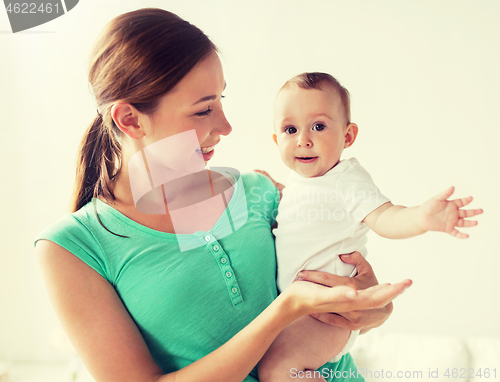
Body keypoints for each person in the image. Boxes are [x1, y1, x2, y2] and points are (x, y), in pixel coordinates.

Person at [34, 9, 412, 382]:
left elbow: (339, 285)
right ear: (130, 120)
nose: (226, 126)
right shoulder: (72, 248)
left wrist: (377, 309)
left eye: (221, 101)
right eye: (203, 111)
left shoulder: (259, 191)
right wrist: (285, 309)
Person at [257, 72, 483, 382]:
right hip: (299, 312)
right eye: (290, 129)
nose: (303, 139)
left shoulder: (347, 180)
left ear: (348, 136)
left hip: (328, 315)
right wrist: (277, 189)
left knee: (277, 371)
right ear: (276, 139)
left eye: (319, 126)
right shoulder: (300, 184)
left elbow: (385, 216)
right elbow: (307, 212)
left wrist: (421, 217)